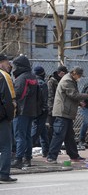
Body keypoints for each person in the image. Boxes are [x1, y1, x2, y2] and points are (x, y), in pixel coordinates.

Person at [46, 66, 88, 163]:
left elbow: (71, 96)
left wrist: (79, 102)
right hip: (63, 112)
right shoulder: (67, 81)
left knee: (69, 136)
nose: (80, 77)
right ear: (74, 73)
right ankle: (51, 156)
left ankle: (74, 155)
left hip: (66, 112)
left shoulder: (70, 80)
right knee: (59, 134)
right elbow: (73, 94)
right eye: (79, 75)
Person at [11, 55, 39, 169]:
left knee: (19, 136)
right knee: (27, 136)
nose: (14, 68)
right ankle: (27, 158)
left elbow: (17, 95)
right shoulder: (33, 77)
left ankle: (18, 159)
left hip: (21, 111)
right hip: (31, 110)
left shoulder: (21, 78)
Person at [0, 54, 17, 183]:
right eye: (7, 62)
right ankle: (4, 174)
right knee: (6, 146)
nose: (9, 65)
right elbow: (8, 99)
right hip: (2, 117)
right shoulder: (3, 76)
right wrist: (10, 116)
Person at [31, 66, 49, 158]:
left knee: (42, 130)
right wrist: (44, 108)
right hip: (41, 111)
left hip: (34, 110)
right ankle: (27, 150)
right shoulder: (42, 83)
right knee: (36, 130)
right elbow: (44, 98)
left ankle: (46, 150)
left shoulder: (32, 81)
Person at [47, 65, 68, 142]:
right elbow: (50, 96)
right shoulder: (52, 81)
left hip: (60, 108)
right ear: (61, 73)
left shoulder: (61, 81)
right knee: (52, 127)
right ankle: (51, 144)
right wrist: (51, 108)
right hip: (53, 108)